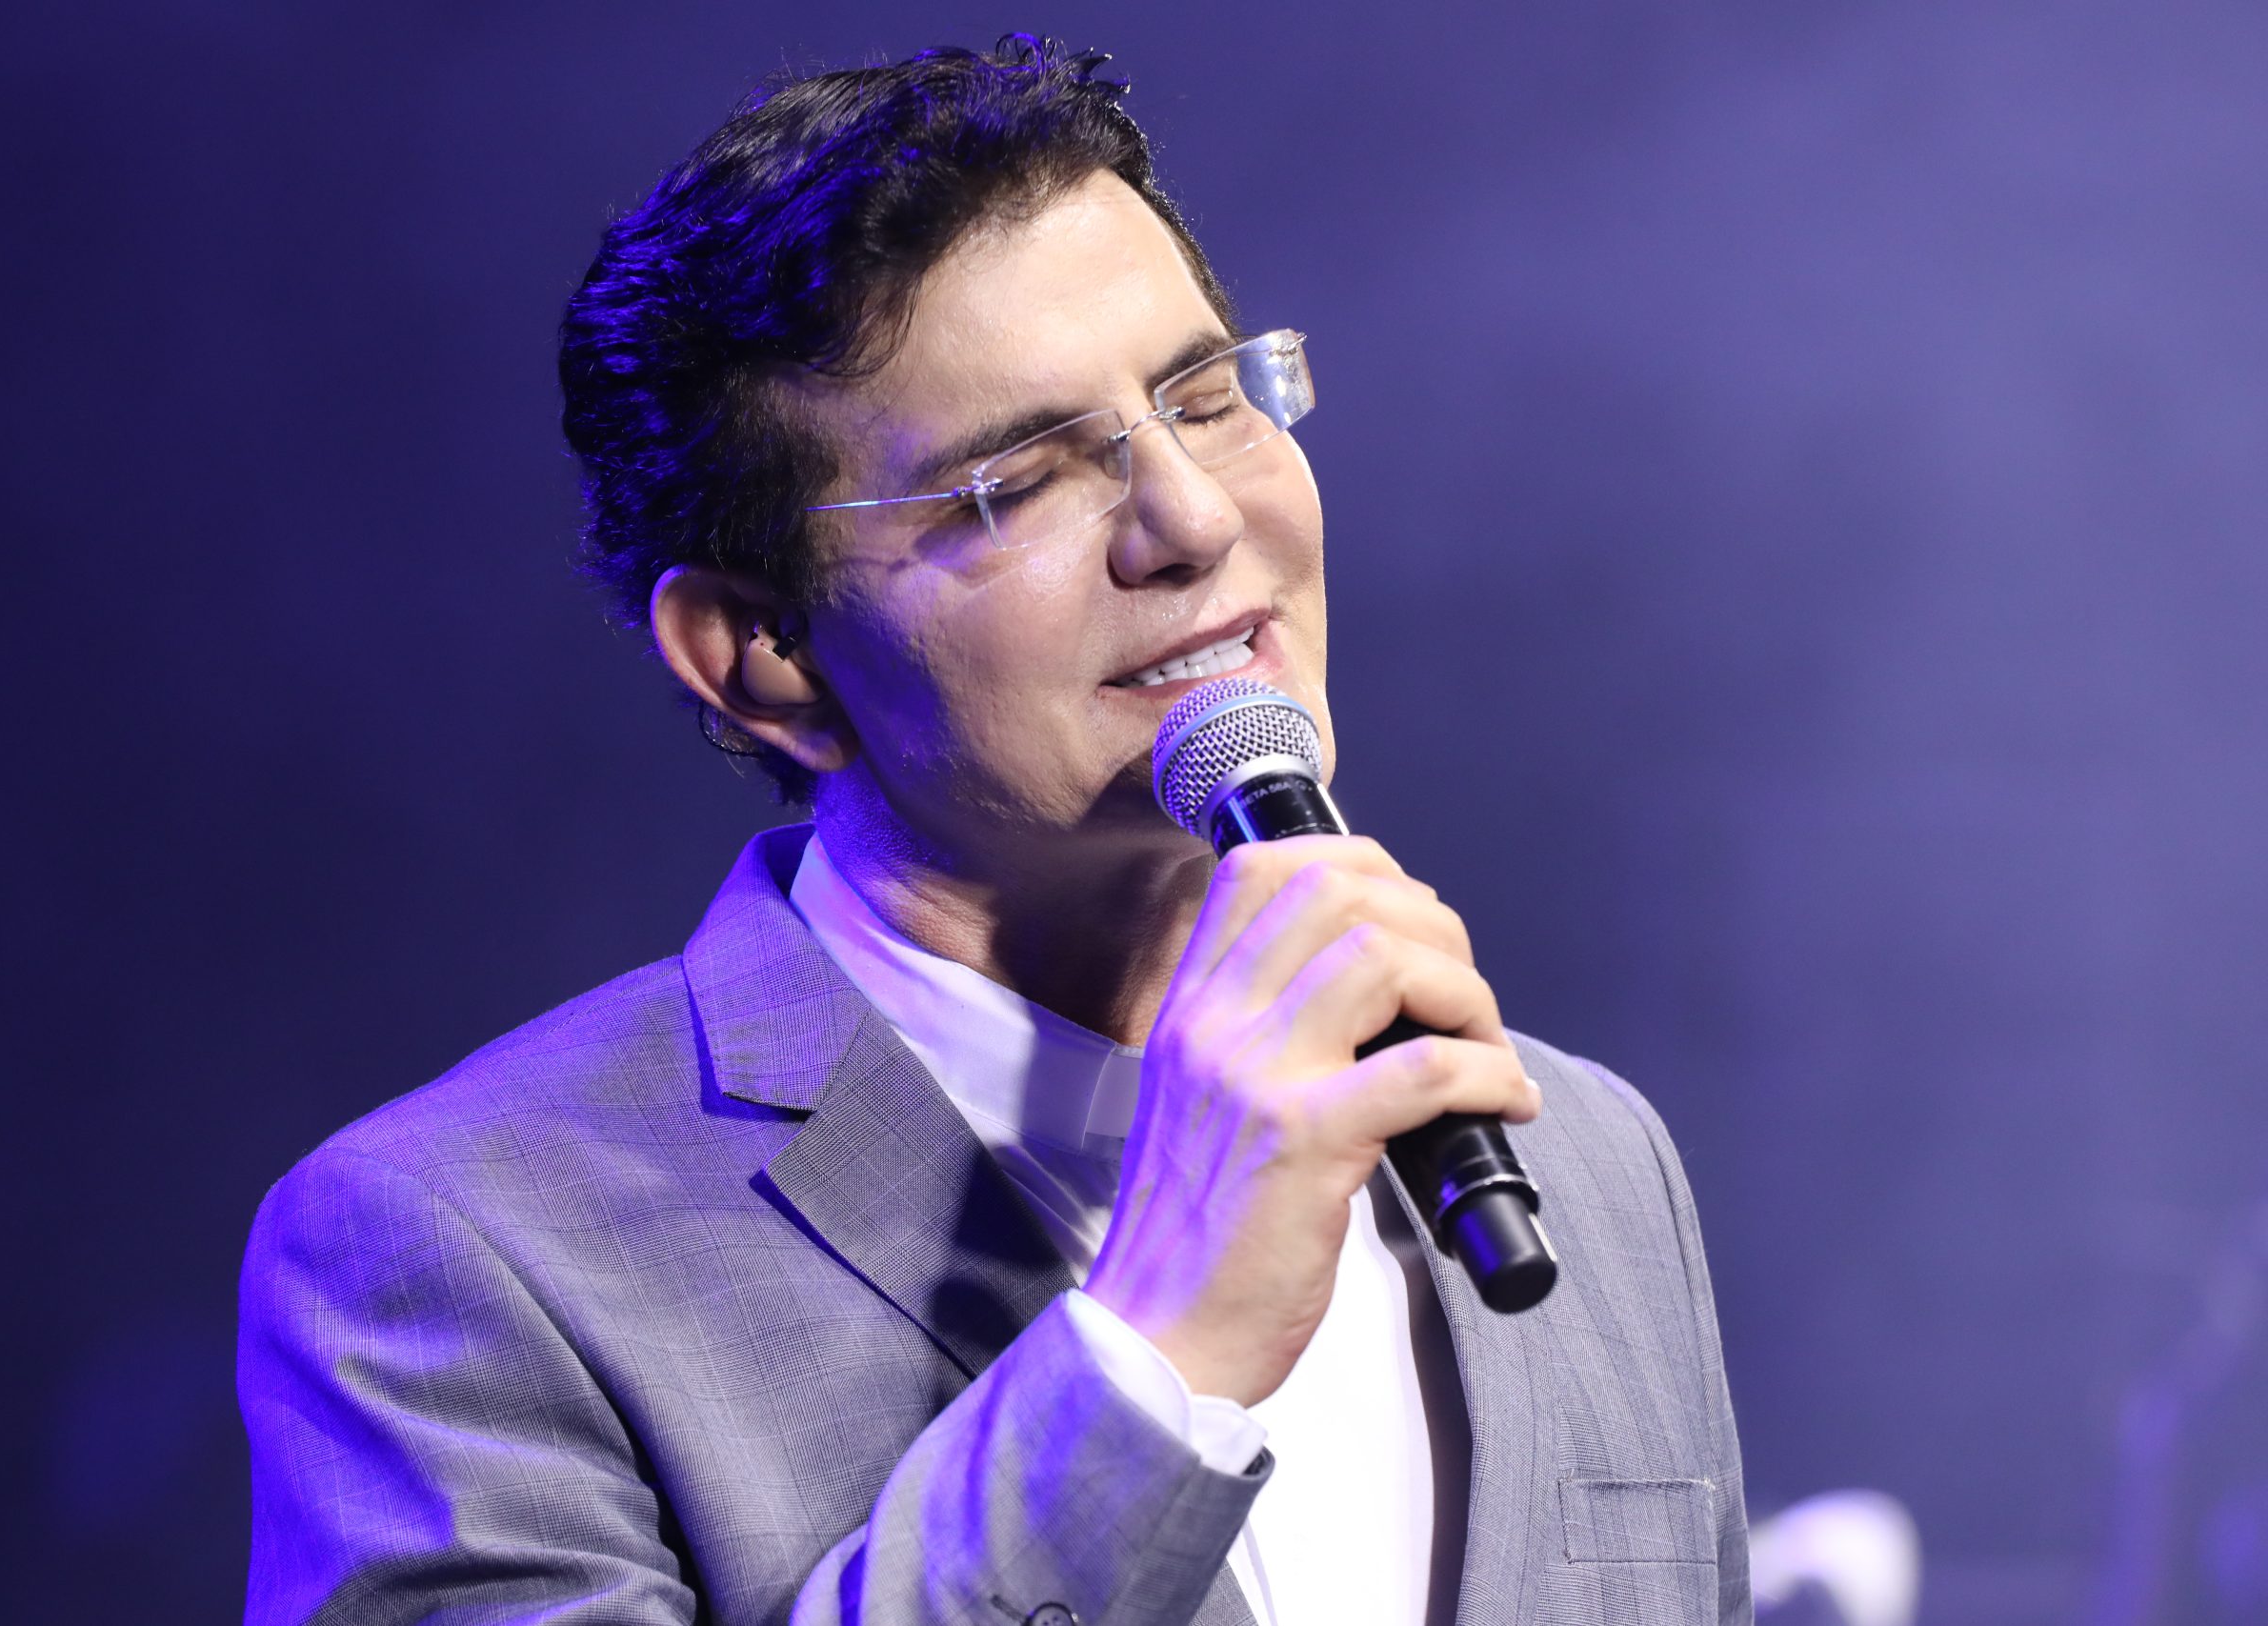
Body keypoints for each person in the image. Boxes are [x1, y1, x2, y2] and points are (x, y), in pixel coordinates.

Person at [238, 35, 1748, 1626]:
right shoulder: (460, 1254)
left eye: (1207, 399)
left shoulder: (1585, 1155)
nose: (1195, 519)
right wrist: (1161, 1351)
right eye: (1016, 485)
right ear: (763, 653)